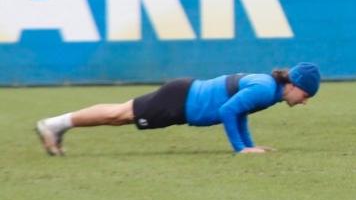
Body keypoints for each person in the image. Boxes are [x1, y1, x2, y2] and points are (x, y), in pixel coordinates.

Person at [34, 62, 321, 156]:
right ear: (294, 84)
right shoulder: (265, 89)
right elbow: (228, 111)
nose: (305, 101)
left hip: (183, 96)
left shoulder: (269, 90)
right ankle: (55, 124)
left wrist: (250, 145)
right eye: (306, 94)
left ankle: (57, 126)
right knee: (118, 115)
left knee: (119, 115)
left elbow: (239, 111)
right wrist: (240, 149)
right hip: (180, 102)